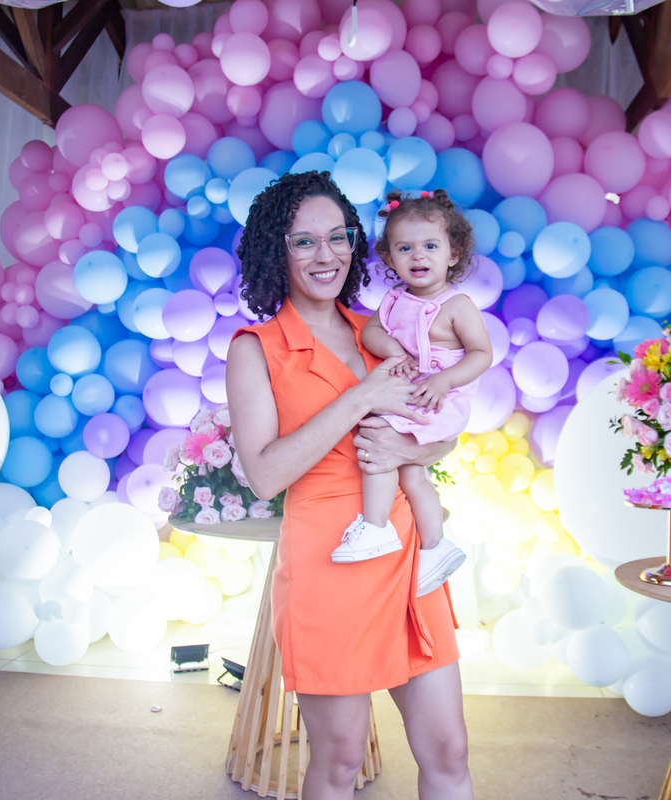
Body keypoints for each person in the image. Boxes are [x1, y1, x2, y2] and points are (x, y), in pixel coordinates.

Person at [226, 171, 473, 800]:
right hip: (329, 563)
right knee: (338, 762)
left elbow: (440, 424)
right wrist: (361, 397)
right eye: (305, 241)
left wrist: (409, 447)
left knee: (449, 749)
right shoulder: (256, 350)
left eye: (338, 237)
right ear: (276, 250)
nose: (326, 254)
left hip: (406, 556)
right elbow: (265, 475)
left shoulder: (383, 327)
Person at [331, 189, 492, 599]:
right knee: (411, 473)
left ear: (453, 254)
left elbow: (482, 354)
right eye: (405, 248)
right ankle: (435, 547)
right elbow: (372, 332)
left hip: (440, 399)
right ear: (390, 258)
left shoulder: (457, 305)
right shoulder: (393, 301)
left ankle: (375, 526)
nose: (418, 255)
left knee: (377, 436)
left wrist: (444, 381)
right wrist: (393, 350)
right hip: (412, 394)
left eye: (430, 246)